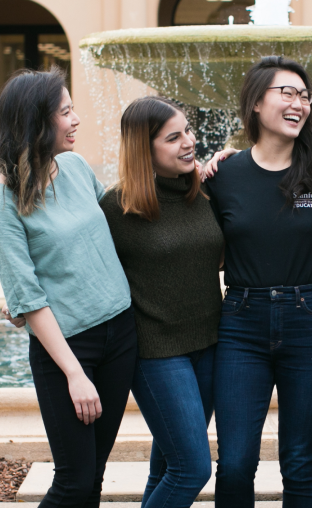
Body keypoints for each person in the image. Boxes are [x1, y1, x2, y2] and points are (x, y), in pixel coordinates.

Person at [0, 68, 137, 508]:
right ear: (35, 121)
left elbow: (122, 223)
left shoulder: (74, 166)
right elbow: (28, 299)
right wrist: (74, 374)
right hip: (68, 351)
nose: (76, 120)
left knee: (94, 476)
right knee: (73, 480)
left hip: (121, 334)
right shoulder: (0, 204)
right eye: (65, 111)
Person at [204, 56, 312, 508]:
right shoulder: (223, 176)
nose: (299, 103)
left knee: (300, 460)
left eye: (305, 96)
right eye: (287, 93)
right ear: (256, 102)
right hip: (241, 323)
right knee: (237, 462)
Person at [98, 97, 224, 508]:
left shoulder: (204, 192)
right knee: (192, 468)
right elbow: (82, 269)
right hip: (156, 353)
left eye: (187, 131)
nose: (189, 142)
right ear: (144, 149)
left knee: (167, 467)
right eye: (174, 138)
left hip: (209, 342)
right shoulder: (117, 208)